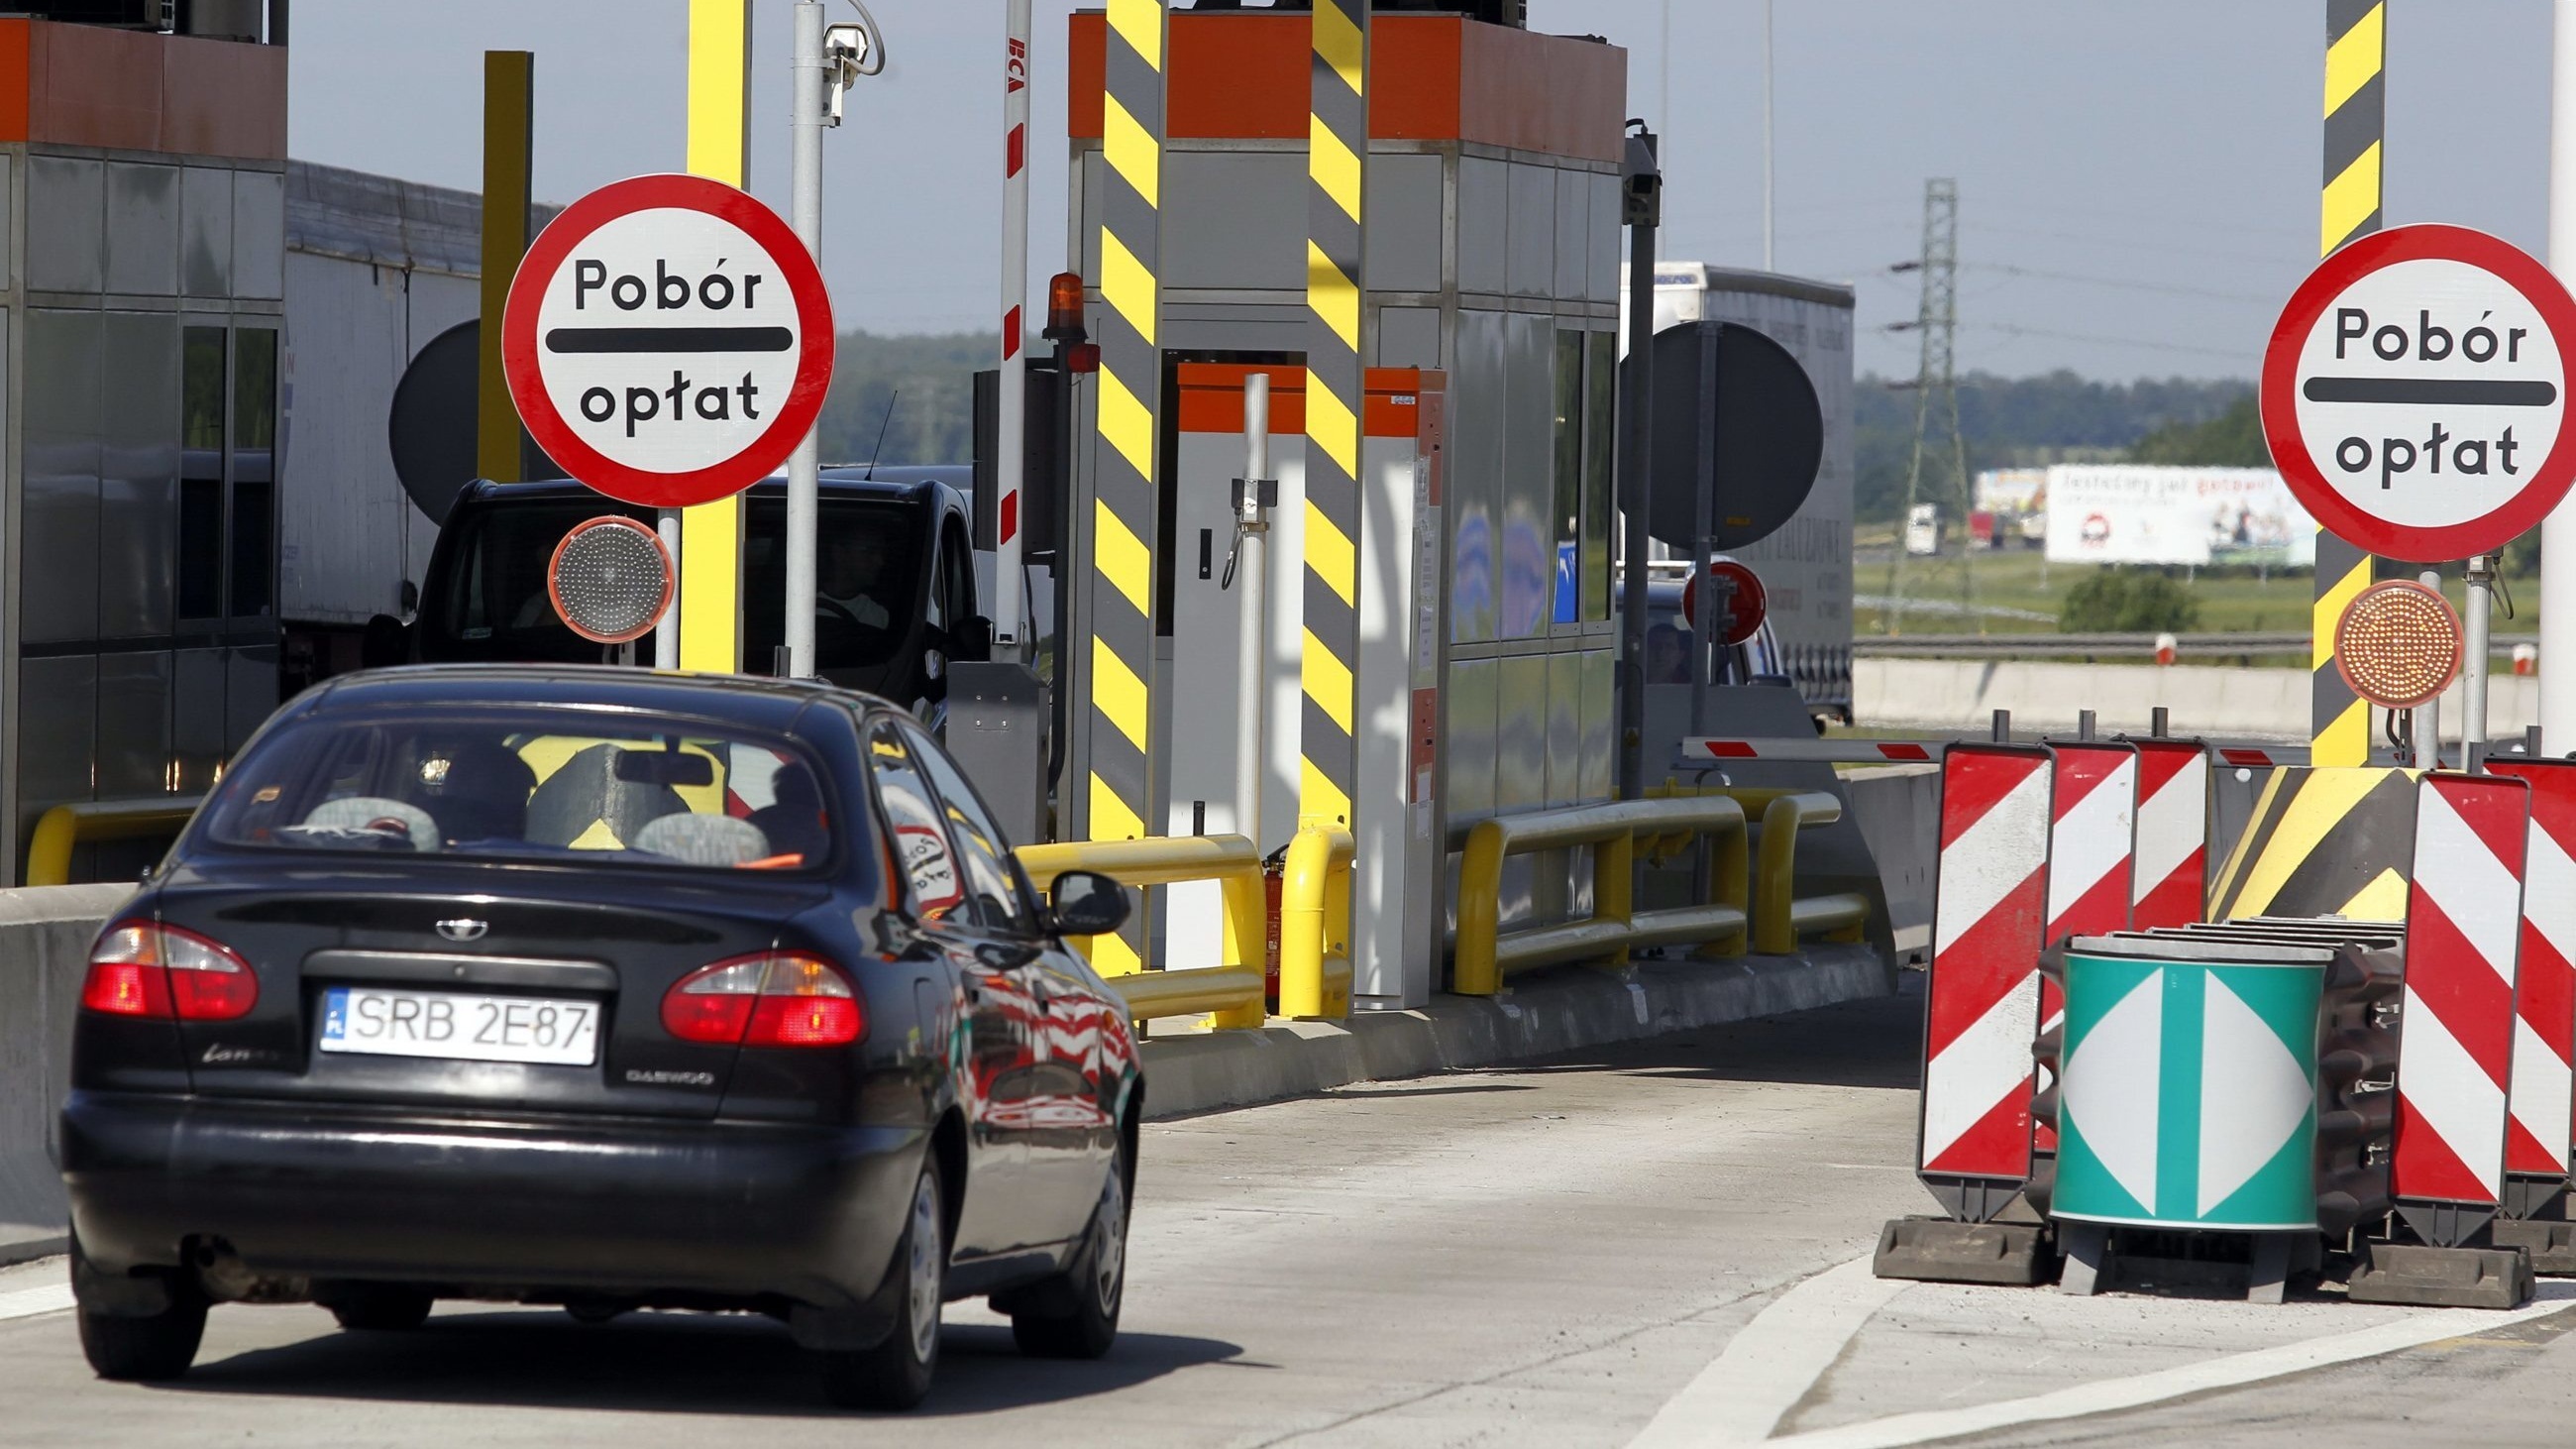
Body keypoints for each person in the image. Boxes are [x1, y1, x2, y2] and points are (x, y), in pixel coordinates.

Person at [817, 527, 896, 630]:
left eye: (882, 553)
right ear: (839, 553)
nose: (879, 561)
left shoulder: (881, 615)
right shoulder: (798, 602)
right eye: (869, 551)